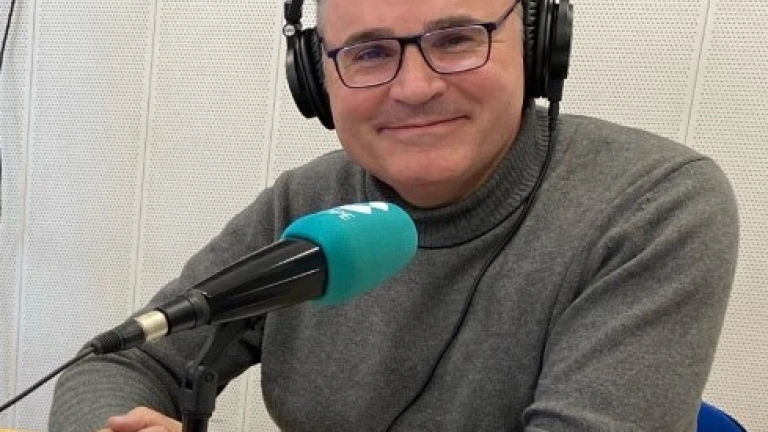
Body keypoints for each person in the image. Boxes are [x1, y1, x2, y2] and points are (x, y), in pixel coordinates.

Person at [48, 0, 739, 430]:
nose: (414, 86)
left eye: (457, 38)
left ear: (536, 44)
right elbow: (119, 365)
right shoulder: (307, 205)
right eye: (371, 52)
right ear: (315, 78)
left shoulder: (654, 207)